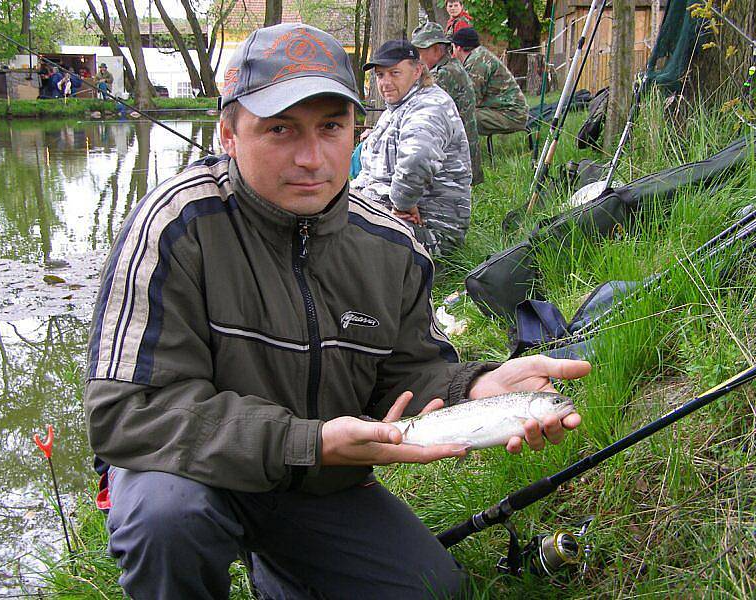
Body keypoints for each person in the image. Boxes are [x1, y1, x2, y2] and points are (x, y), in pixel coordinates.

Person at [84, 22, 589, 599]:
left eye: (331, 127)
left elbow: (403, 374)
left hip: (318, 486)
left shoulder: (392, 246)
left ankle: (284, 572)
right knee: (166, 522)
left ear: (357, 128)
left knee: (434, 590)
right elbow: (127, 413)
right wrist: (306, 441)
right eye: (280, 129)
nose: (311, 157)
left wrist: (471, 387)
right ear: (228, 133)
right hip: (193, 474)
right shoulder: (176, 227)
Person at [351, 39, 472, 257]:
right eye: (380, 75)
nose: (385, 82)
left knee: (338, 241)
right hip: (387, 212)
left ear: (417, 71)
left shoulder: (430, 105)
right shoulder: (399, 105)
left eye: (394, 73)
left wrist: (402, 204)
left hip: (429, 232)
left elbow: (417, 158)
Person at [412, 21, 484, 187]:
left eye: (419, 53)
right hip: (456, 153)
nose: (416, 60)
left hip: (457, 162)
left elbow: (420, 109)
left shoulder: (445, 74)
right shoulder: (448, 67)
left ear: (437, 50)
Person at [452, 27, 529, 138]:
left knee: (461, 118)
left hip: (512, 115)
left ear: (458, 48)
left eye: (452, 47)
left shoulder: (478, 62)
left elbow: (470, 100)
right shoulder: (479, 56)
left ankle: (464, 153)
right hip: (504, 110)